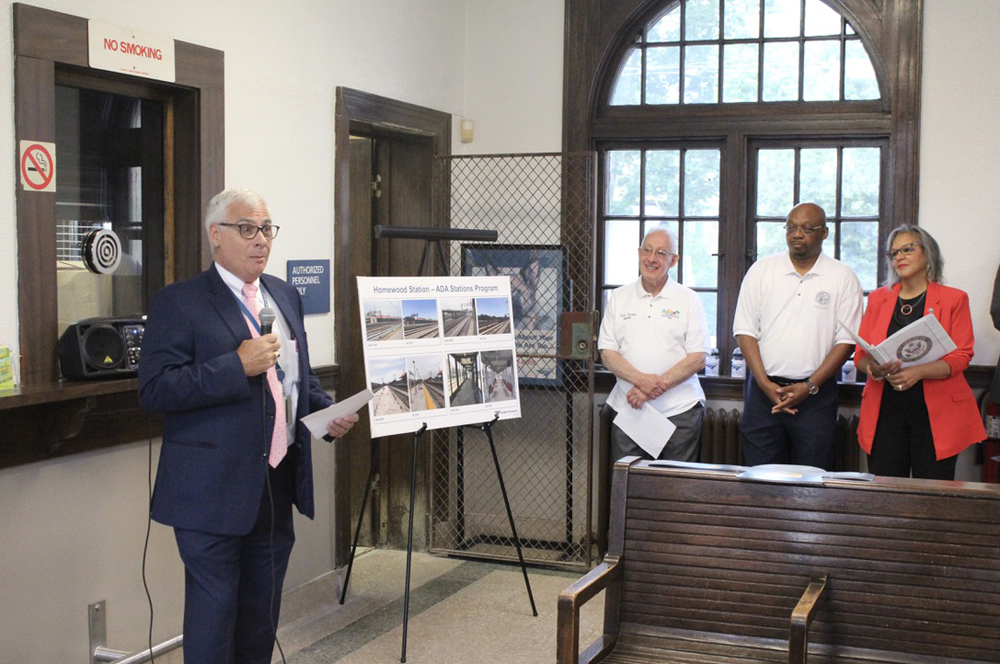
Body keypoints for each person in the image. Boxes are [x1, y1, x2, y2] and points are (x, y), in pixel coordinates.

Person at [138, 188, 358, 664]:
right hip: (209, 494)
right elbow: (155, 390)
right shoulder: (179, 302)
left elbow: (297, 377)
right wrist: (235, 366)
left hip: (275, 484)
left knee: (260, 619)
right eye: (247, 229)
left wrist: (325, 411)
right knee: (215, 620)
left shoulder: (284, 294)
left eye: (266, 229)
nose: (260, 240)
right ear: (215, 235)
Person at [733, 202, 862, 470]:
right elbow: (745, 331)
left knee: (813, 480)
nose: (797, 234)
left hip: (816, 394)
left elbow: (847, 341)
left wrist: (810, 386)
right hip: (763, 393)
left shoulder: (843, 276)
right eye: (791, 228)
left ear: (824, 233)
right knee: (760, 477)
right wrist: (764, 383)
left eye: (806, 228)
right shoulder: (761, 270)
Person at [853, 225, 984, 479]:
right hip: (885, 412)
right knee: (887, 494)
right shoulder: (879, 299)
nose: (899, 257)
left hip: (936, 416)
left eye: (907, 249)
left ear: (928, 254)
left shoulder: (954, 299)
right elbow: (860, 354)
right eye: (894, 253)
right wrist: (874, 369)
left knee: (933, 498)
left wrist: (918, 372)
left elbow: (962, 356)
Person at [598, 227, 711, 463]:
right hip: (630, 409)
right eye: (647, 250)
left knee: (674, 491)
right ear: (639, 253)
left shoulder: (689, 299)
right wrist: (641, 382)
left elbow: (698, 357)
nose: (651, 258)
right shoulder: (619, 297)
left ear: (673, 260)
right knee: (629, 491)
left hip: (679, 413)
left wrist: (652, 387)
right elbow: (607, 353)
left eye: (660, 253)